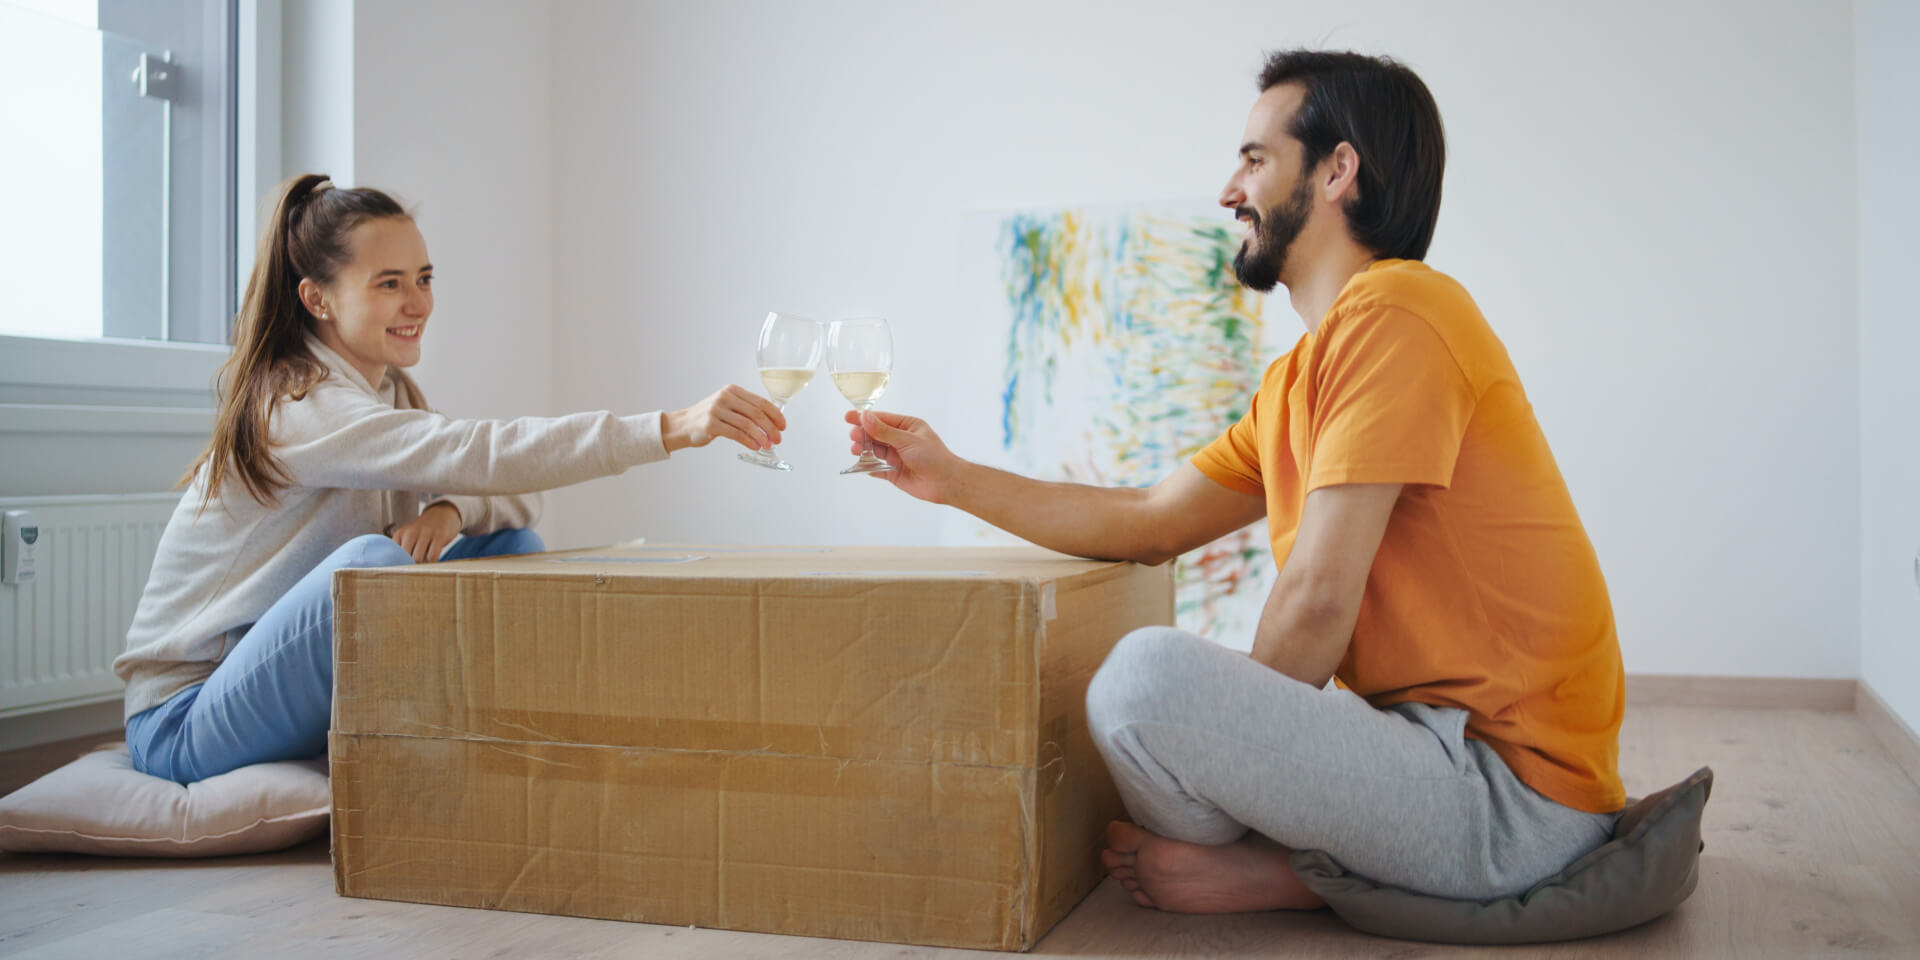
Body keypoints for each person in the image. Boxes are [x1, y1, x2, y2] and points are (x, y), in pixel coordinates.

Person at [846, 50, 1625, 912]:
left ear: (1338, 171)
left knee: (1145, 682)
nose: (1229, 190)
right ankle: (1300, 867)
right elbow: (1151, 520)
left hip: (1512, 799)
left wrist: (1242, 786)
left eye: (1255, 158)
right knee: (1149, 689)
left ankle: (1286, 874)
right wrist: (951, 478)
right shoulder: (1298, 378)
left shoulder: (1400, 311)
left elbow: (1318, 597)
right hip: (1414, 757)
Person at [115, 173, 786, 785]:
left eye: (424, 277)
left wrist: (452, 513)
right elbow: (484, 453)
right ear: (316, 299)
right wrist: (671, 427)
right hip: (185, 717)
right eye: (389, 283)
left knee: (511, 550)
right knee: (373, 565)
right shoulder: (297, 405)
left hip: (266, 683)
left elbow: (517, 493)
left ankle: (503, 743)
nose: (418, 303)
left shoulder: (389, 396)